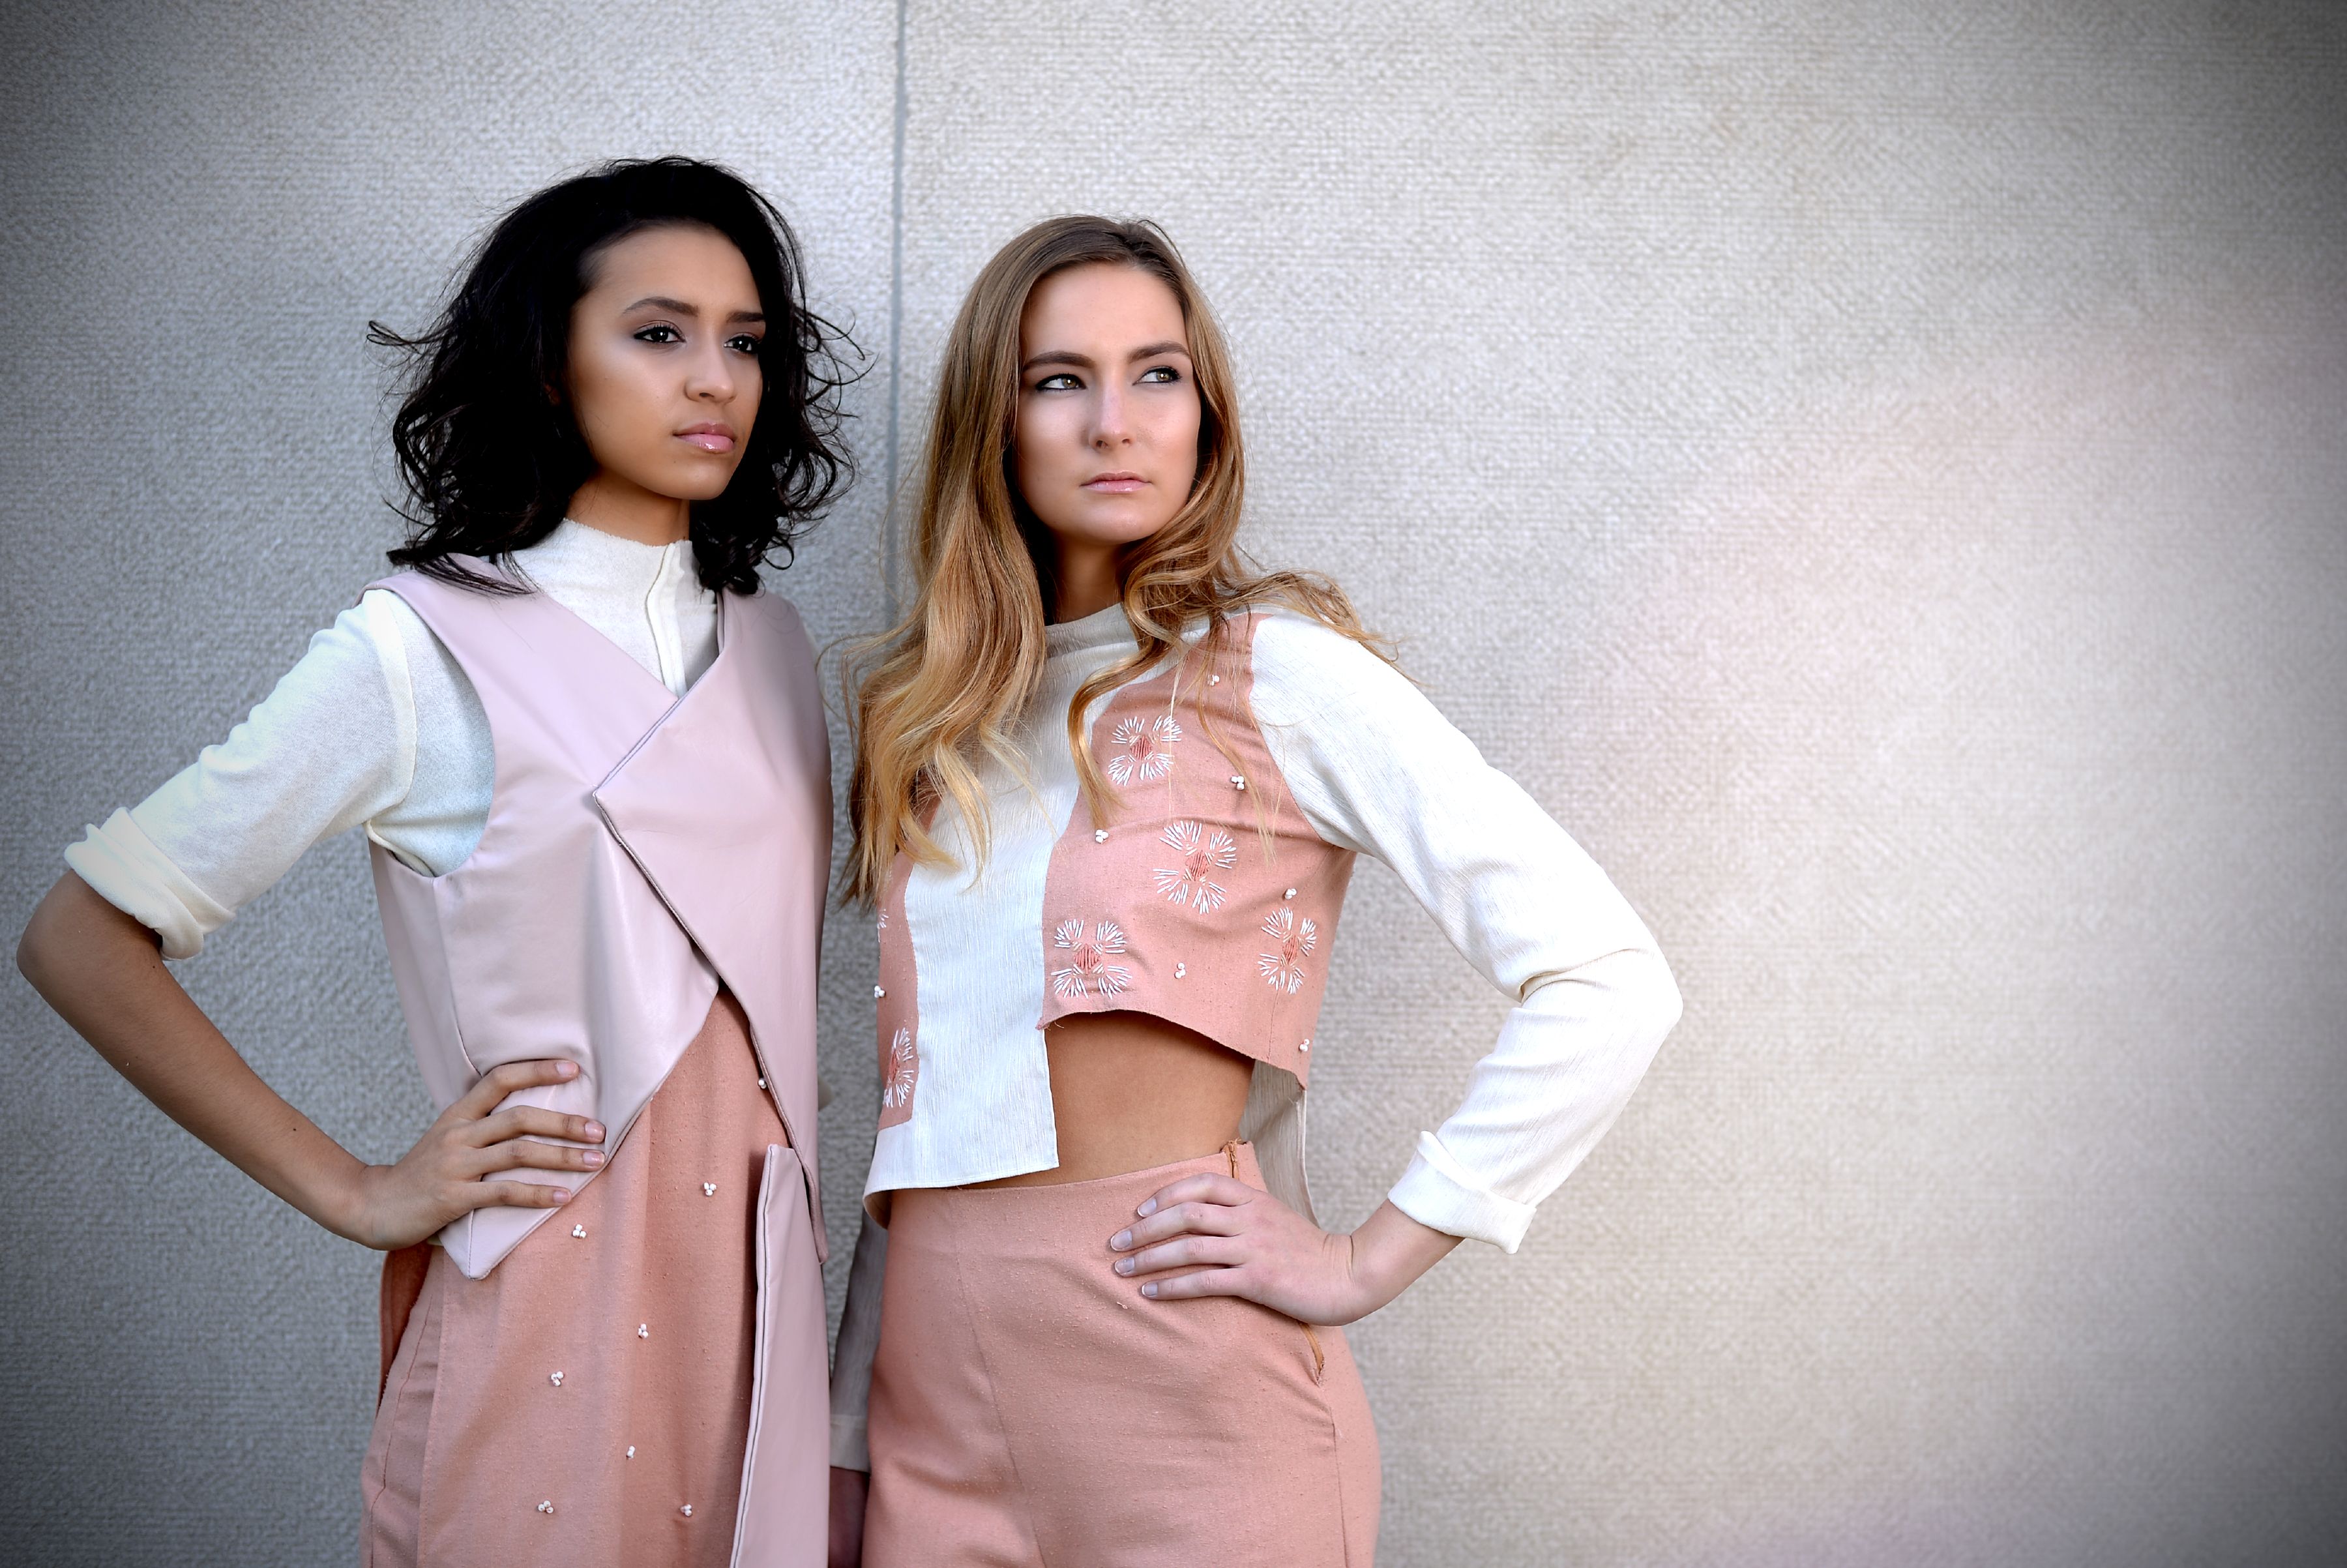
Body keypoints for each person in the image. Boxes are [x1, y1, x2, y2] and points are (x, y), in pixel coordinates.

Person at [17, 156, 849, 1567]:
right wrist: (357, 1191)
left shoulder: (772, 653)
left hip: (756, 1312)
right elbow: (78, 936)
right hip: (548, 1319)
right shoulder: (417, 651)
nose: (713, 376)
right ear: (546, 368)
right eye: (657, 333)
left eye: (745, 339)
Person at [823, 215, 1683, 1567]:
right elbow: (919, 1134)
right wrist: (842, 1448)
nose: (1116, 421)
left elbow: (1608, 977)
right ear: (994, 422)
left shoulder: (1279, 677)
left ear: (1207, 419)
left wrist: (1363, 1260)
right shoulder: (934, 731)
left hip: (1187, 1412)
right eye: (1060, 380)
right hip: (932, 1419)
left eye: (1157, 375)